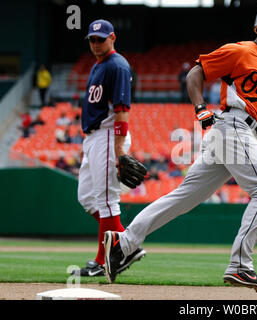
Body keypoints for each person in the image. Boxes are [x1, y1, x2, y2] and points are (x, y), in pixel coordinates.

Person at [103, 4, 257, 292]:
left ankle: (123, 243)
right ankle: (240, 267)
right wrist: (199, 108)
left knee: (184, 197)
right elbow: (195, 73)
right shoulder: (241, 51)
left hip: (243, 130)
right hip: (231, 129)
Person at [75, 19, 146, 277]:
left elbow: (122, 110)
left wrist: (119, 150)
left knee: (106, 200)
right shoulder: (99, 65)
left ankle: (103, 260)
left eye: (100, 39)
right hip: (93, 138)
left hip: (107, 135)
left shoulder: (117, 65)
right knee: (87, 197)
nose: (96, 43)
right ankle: (125, 245)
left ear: (112, 38)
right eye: (92, 39)